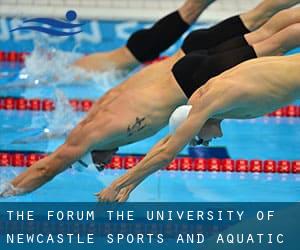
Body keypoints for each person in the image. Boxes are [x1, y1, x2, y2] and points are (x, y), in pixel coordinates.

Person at [1, 0, 300, 198]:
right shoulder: (100, 108)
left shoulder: (95, 133)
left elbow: (46, 167)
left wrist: (8, 190)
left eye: (95, 162)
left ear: (89, 150)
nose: (104, 165)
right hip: (187, 55)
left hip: (192, 78)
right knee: (270, 28)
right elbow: (67, 139)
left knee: (276, 38)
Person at [97, 54, 300, 202]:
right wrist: (131, 186)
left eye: (200, 140)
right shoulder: (200, 102)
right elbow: (169, 141)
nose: (208, 142)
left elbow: (167, 154)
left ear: (197, 125)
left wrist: (116, 185)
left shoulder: (211, 101)